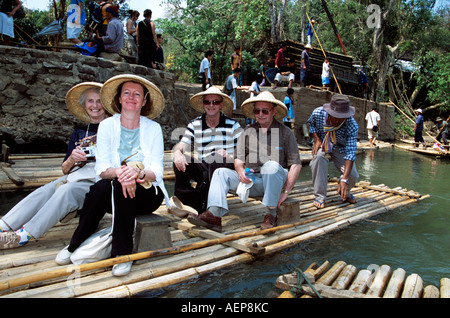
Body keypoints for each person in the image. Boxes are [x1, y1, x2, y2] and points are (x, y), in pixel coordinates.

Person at [55, 74, 169, 277]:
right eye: (126, 93)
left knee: (117, 185)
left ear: (144, 101)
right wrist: (122, 172)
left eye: (137, 94)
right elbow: (102, 168)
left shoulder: (154, 128)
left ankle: (122, 255)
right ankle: (75, 245)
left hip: (148, 194)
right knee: (101, 187)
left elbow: (157, 172)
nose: (131, 97)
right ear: (119, 98)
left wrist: (138, 173)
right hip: (114, 191)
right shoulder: (108, 126)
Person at [0, 82, 108, 249]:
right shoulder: (79, 132)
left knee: (66, 191)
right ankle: (4, 225)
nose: (95, 105)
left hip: (98, 180)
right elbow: (64, 169)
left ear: (106, 103)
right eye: (90, 101)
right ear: (84, 105)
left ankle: (24, 235)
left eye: (99, 101)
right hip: (75, 176)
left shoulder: (114, 128)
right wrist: (72, 159)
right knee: (45, 190)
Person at [187, 91, 302, 231]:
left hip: (275, 181)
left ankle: (271, 214)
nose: (260, 114)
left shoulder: (285, 132)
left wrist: (285, 191)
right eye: (257, 111)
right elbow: (239, 158)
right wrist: (240, 171)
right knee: (220, 173)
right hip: (254, 181)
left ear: (274, 111)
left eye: (264, 111)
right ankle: (214, 215)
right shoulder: (248, 131)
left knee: (270, 167)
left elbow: (295, 164)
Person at [171, 86, 242, 214]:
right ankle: (185, 200)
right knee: (181, 160)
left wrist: (229, 154)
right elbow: (182, 143)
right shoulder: (195, 124)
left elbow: (245, 150)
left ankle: (203, 205)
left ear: (221, 105)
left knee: (216, 158)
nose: (211, 105)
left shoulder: (233, 125)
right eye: (207, 102)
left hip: (226, 167)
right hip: (205, 168)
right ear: (203, 105)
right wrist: (177, 153)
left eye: (215, 102)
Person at [308, 94, 359, 209]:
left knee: (352, 175)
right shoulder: (318, 113)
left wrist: (344, 178)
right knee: (318, 158)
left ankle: (345, 190)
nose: (336, 120)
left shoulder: (352, 125)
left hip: (339, 147)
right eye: (334, 116)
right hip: (321, 141)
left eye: (340, 117)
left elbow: (351, 152)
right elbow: (311, 125)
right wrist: (316, 139)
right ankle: (320, 196)